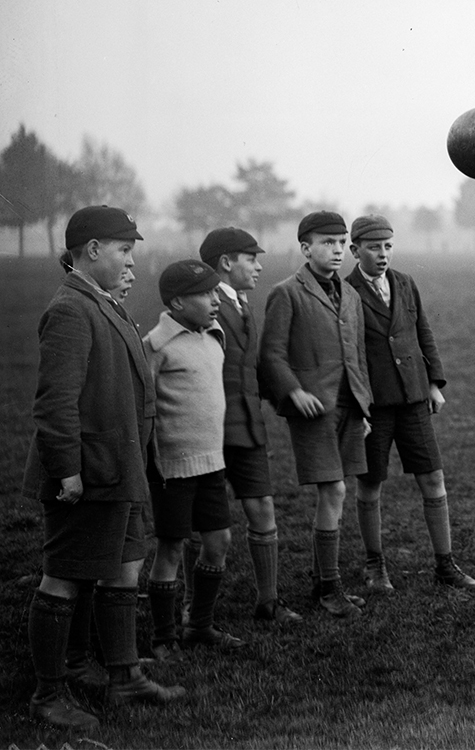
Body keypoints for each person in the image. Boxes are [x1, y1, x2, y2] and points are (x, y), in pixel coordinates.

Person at [22, 205, 185, 729]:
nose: (131, 260)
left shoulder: (102, 300)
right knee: (64, 578)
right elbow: (54, 403)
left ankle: (123, 675)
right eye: (124, 250)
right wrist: (68, 469)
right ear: (92, 251)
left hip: (119, 466)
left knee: (122, 565)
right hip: (87, 473)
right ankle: (48, 695)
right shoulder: (71, 308)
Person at [345, 215, 475, 593]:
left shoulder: (405, 283)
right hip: (373, 407)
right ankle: (375, 566)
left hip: (414, 399)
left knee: (433, 478)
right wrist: (358, 406)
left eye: (388, 246)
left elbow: (423, 332)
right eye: (374, 247)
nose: (383, 254)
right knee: (370, 483)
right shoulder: (346, 292)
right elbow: (348, 355)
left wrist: (434, 383)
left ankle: (445, 565)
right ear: (355, 251)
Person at [259, 211, 373, 618]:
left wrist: (364, 405)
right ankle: (329, 588)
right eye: (328, 243)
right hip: (314, 410)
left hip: (348, 406)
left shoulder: (352, 295)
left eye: (342, 243)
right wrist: (294, 391)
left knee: (338, 490)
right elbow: (271, 354)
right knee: (335, 492)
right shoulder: (286, 293)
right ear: (306, 249)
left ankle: (323, 581)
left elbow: (357, 354)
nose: (338, 250)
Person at [143, 259, 249, 662]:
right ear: (176, 302)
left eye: (214, 292)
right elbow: (145, 407)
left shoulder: (214, 339)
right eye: (204, 294)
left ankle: (199, 624)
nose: (214, 300)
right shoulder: (156, 346)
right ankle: (163, 637)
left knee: (219, 541)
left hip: (212, 462)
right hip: (172, 467)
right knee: (171, 547)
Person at [196, 227, 302, 625]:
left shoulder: (242, 304)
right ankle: (194, 608)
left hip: (247, 426)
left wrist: (284, 399)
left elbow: (252, 367)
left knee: (263, 508)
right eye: (251, 259)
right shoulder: (203, 304)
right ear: (226, 263)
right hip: (208, 427)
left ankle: (269, 602)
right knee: (201, 523)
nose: (260, 266)